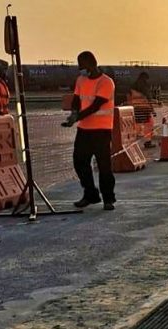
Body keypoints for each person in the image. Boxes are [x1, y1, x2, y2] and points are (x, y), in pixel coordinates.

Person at [63, 51, 116, 210]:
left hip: (102, 130)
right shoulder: (81, 80)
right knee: (79, 162)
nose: (81, 69)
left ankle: (108, 198)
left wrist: (77, 117)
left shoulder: (106, 82)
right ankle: (91, 194)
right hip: (84, 129)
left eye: (83, 66)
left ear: (92, 64)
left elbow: (95, 106)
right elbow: (76, 100)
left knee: (104, 166)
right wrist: (74, 113)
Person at [128, 71, 156, 148]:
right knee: (148, 126)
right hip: (145, 109)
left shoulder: (132, 87)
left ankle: (132, 143)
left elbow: (129, 98)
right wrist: (153, 110)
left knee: (136, 126)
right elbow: (149, 99)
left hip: (136, 109)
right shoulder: (145, 87)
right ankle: (148, 142)